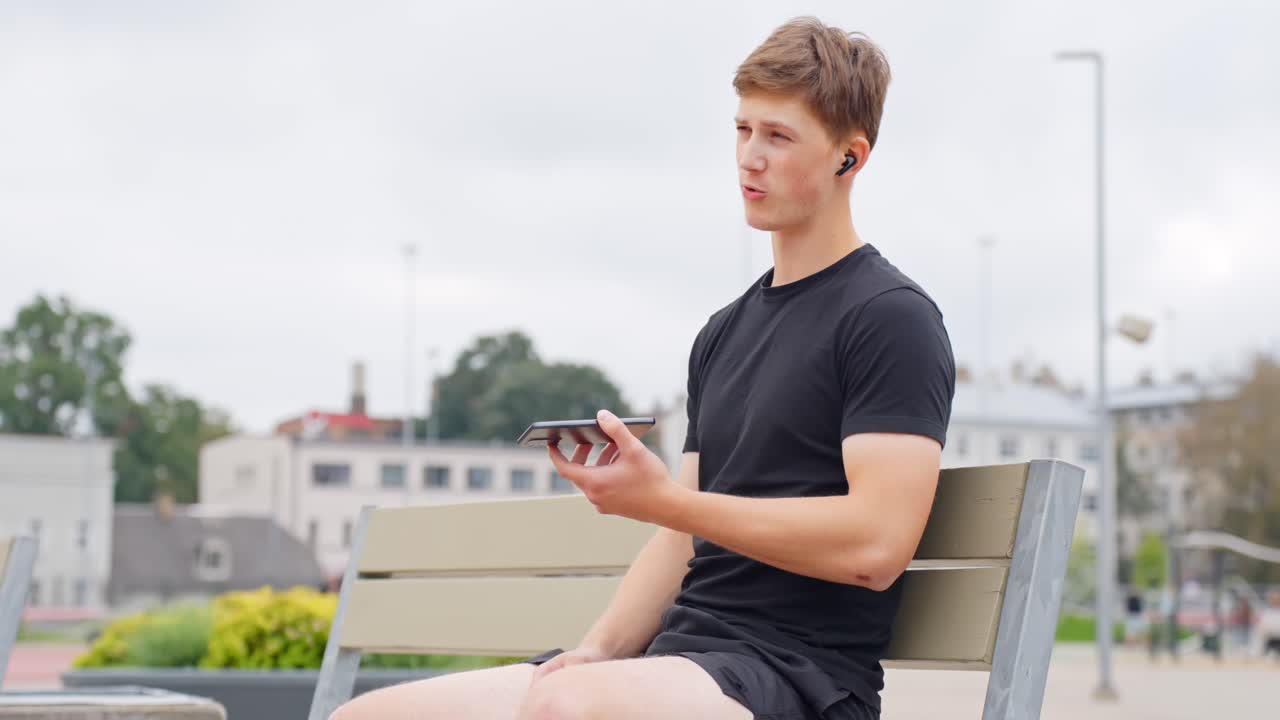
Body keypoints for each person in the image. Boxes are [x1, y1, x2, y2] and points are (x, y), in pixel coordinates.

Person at [331, 16, 954, 720]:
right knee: (366, 716)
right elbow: (678, 536)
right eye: (743, 130)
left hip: (798, 675)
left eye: (778, 137)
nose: (750, 157)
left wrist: (661, 500)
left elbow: (876, 545)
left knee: (567, 707)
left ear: (850, 157)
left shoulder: (890, 318)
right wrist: (596, 649)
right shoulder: (724, 332)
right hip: (681, 660)